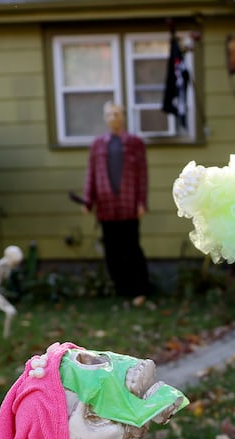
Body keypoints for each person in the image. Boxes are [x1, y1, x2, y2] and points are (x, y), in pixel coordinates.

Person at [84, 101, 151, 306]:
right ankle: (123, 290)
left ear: (123, 117)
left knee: (132, 249)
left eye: (117, 114)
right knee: (112, 252)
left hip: (129, 206)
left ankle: (140, 290)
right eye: (110, 114)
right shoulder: (98, 144)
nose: (114, 117)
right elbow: (91, 174)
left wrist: (141, 202)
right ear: (106, 118)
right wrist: (88, 200)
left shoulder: (134, 143)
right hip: (106, 207)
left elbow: (142, 175)